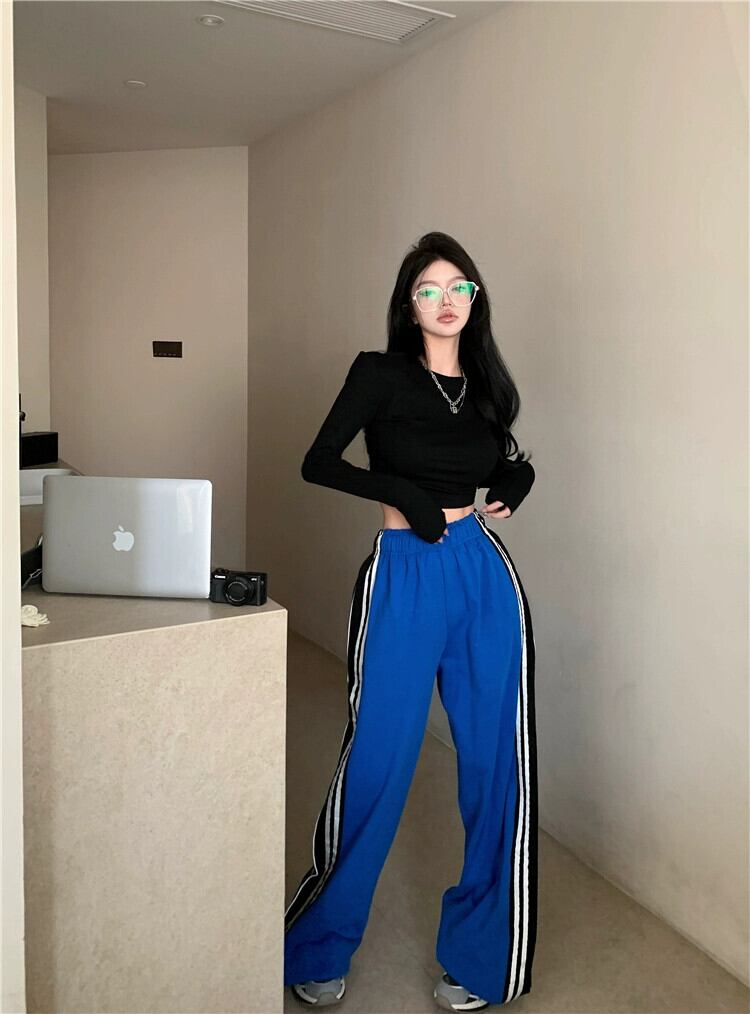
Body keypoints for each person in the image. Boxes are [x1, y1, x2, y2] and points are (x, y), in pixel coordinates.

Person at [285, 231, 538, 1010]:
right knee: (378, 760)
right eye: (429, 289)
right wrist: (402, 492)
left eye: (459, 287)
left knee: (495, 766)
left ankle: (483, 959)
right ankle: (320, 944)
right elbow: (319, 460)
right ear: (409, 304)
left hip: (482, 576)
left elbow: (504, 460)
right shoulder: (380, 375)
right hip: (404, 571)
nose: (446, 300)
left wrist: (517, 479)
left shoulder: (486, 387)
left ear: (475, 299)